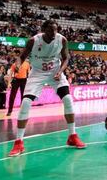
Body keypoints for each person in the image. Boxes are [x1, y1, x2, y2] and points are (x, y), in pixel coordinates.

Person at [8, 20, 85, 157]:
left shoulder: (62, 40)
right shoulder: (33, 41)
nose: (54, 33)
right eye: (50, 30)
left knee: (68, 99)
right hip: (37, 73)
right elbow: (21, 57)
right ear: (43, 29)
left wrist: (61, 71)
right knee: (25, 103)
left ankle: (72, 136)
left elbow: (66, 58)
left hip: (55, 72)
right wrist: (18, 65)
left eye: (55, 30)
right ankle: (18, 142)